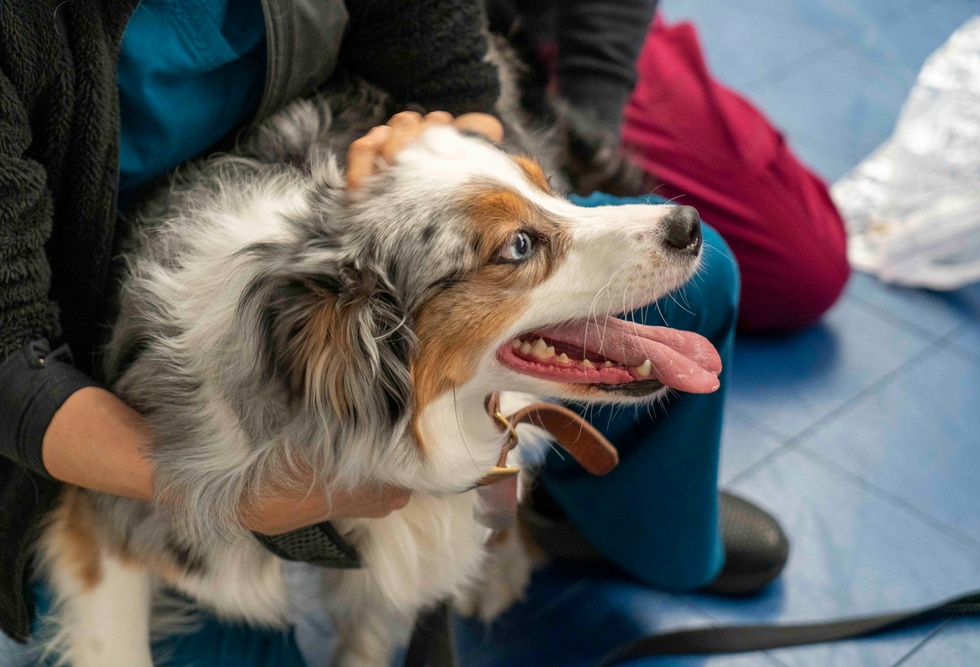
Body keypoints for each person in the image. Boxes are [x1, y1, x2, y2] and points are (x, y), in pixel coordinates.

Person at [0, 0, 837, 663]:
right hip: (85, 324)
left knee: (706, 274)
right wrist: (216, 485)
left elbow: (447, 73)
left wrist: (445, 133)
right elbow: (11, 356)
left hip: (353, 207)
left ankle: (621, 525)